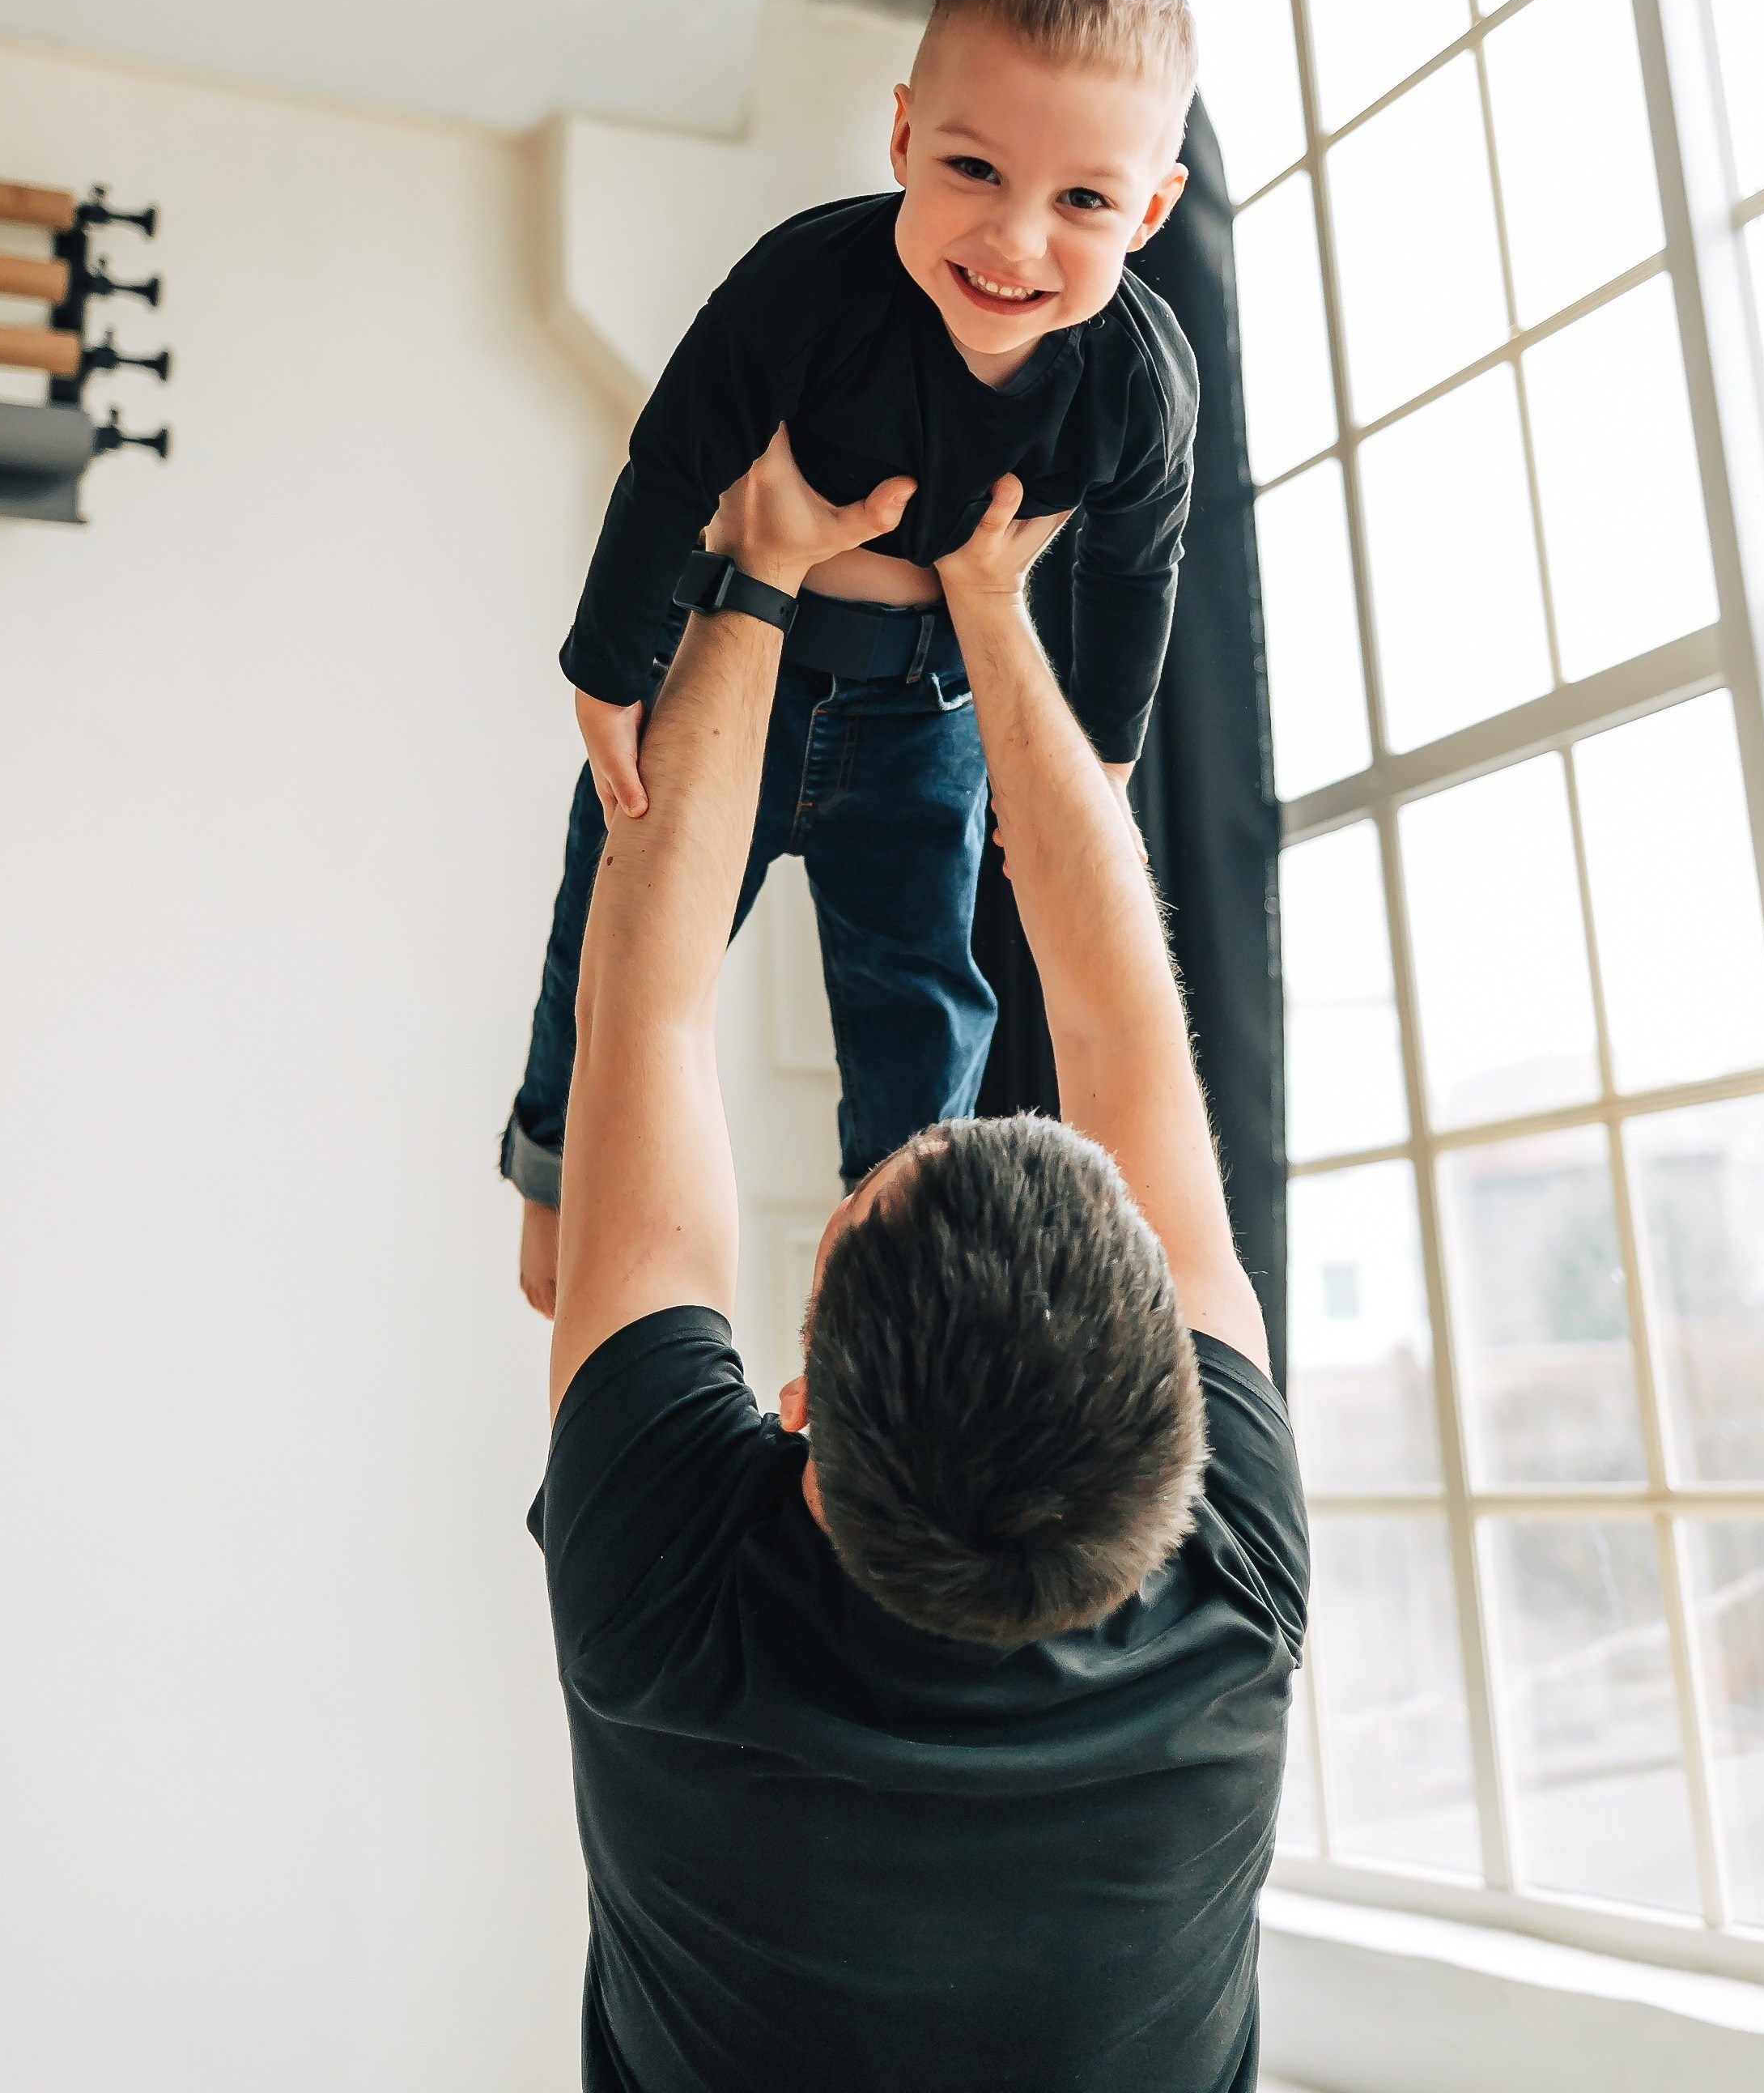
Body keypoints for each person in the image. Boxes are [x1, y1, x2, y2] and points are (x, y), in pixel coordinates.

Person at [531, 423, 1307, 2093]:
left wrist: (753, 584)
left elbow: (646, 1015)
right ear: (1171, 1418)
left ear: (798, 1418)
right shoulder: (1225, 1597)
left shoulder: (679, 1607)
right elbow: (1112, 1020)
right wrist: (989, 608)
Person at [507, 0, 1201, 1313]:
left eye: (1081, 202)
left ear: (1152, 211)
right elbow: (673, 458)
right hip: (744, 670)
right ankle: (554, 1189)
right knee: (623, 928)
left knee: (923, 991)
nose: (1012, 240)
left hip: (929, 710)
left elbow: (1138, 567)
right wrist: (608, 668)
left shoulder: (1136, 381)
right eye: (972, 170)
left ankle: (889, 1282)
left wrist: (1109, 761)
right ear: (901, 139)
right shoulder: (810, 284)